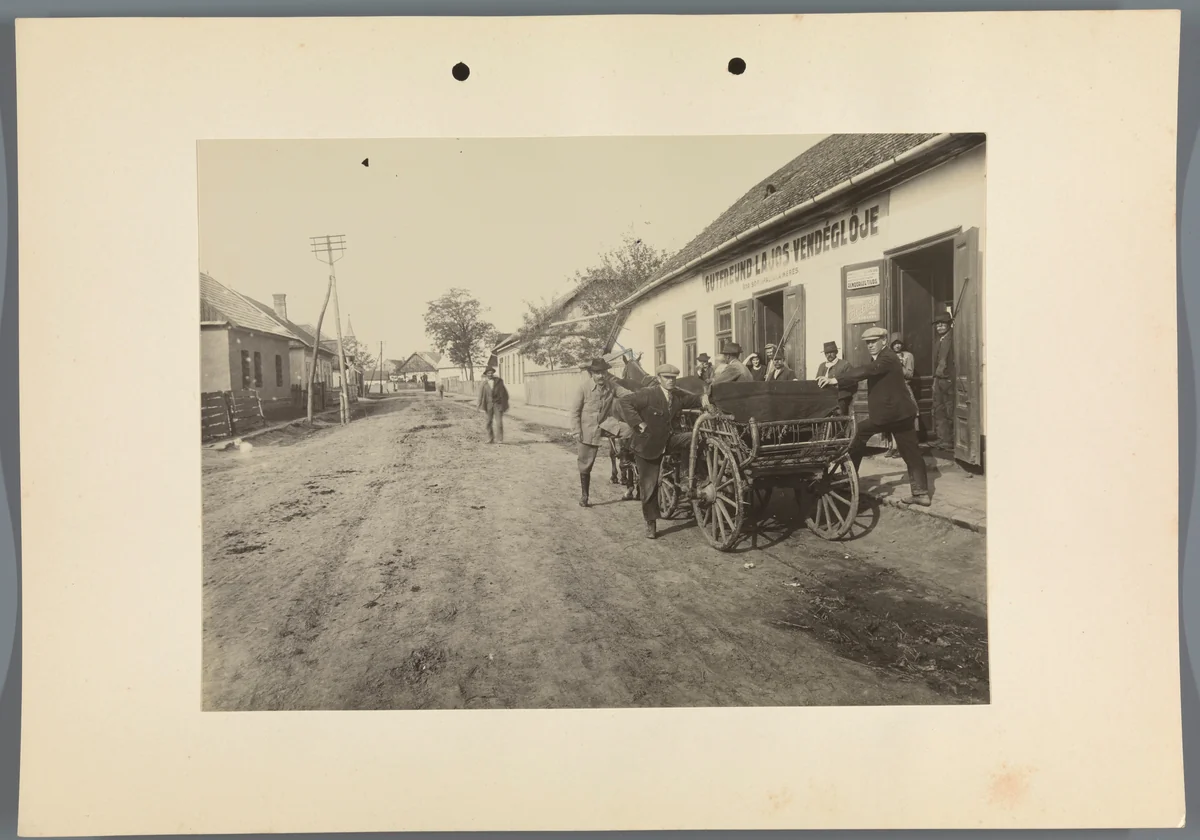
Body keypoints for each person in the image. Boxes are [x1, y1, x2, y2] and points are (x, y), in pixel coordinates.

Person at [818, 326, 930, 507]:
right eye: (867, 343)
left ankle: (848, 479)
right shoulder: (881, 357)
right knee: (911, 453)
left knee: (860, 433)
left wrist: (836, 379)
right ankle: (921, 493)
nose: (870, 345)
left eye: (873, 342)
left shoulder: (887, 358)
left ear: (884, 341)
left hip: (891, 415)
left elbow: (866, 371)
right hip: (900, 414)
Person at [619, 364, 714, 539]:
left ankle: (687, 474)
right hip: (647, 445)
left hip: (668, 440)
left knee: (695, 437)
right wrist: (638, 423)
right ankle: (651, 523)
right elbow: (624, 402)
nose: (671, 381)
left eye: (673, 378)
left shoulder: (676, 395)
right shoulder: (648, 394)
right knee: (649, 486)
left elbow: (694, 399)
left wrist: (704, 400)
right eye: (667, 378)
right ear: (659, 378)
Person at [569, 357, 634, 507]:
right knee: (585, 463)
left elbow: (628, 394)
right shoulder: (583, 388)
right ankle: (585, 496)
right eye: (597, 373)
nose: (601, 376)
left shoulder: (612, 386)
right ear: (592, 373)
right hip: (588, 428)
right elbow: (575, 412)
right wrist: (576, 431)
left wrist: (648, 394)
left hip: (607, 424)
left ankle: (625, 457)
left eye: (603, 372)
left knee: (630, 430)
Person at [885, 334, 917, 459]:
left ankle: (903, 448)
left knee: (905, 417)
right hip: (890, 390)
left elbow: (909, 375)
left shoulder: (908, 356)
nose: (897, 346)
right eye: (895, 343)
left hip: (904, 389)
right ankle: (892, 446)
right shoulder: (888, 356)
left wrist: (900, 365)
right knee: (891, 418)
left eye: (899, 343)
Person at [930, 312, 955, 450]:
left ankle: (953, 441)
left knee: (950, 410)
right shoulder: (938, 341)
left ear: (949, 324)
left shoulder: (954, 338)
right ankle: (943, 439)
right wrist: (935, 380)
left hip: (949, 380)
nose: (939, 326)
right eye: (937, 324)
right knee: (938, 410)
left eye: (942, 323)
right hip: (938, 379)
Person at [814, 341, 857, 418]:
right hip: (824, 397)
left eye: (831, 352)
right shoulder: (822, 366)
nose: (829, 355)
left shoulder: (845, 364)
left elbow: (851, 381)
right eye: (827, 353)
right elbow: (817, 381)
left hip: (840, 397)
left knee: (838, 415)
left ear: (836, 352)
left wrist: (835, 383)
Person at [476, 366, 509, 443]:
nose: (490, 374)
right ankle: (490, 438)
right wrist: (478, 405)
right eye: (488, 373)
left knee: (499, 423)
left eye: (491, 373)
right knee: (488, 422)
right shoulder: (484, 384)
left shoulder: (499, 382)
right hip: (489, 405)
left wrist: (504, 404)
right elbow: (480, 395)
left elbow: (505, 394)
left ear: (493, 373)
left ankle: (500, 439)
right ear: (486, 374)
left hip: (498, 404)